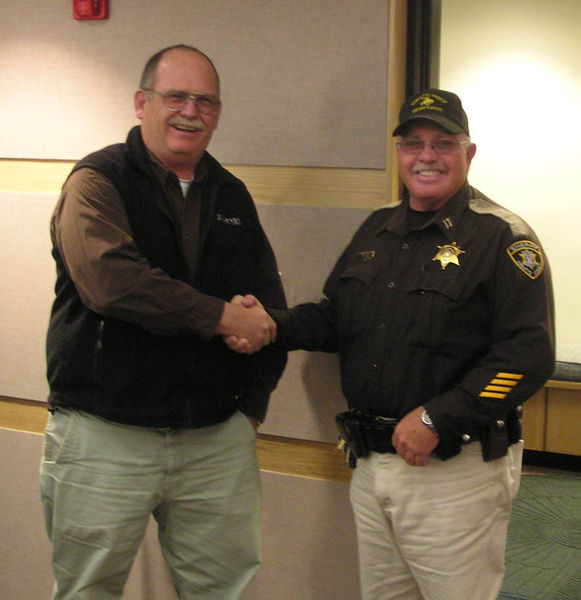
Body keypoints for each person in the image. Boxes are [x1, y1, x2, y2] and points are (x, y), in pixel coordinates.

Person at [230, 89, 555, 600]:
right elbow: (335, 319)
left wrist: (437, 419)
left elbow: (527, 358)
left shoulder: (502, 238)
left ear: (468, 154)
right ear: (399, 153)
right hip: (372, 464)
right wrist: (272, 325)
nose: (426, 156)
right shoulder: (376, 229)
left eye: (443, 143)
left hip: (455, 471)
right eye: (413, 143)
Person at [41, 44, 287, 600]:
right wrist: (220, 316)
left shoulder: (232, 194)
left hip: (214, 442)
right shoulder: (97, 181)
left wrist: (251, 408)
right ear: (141, 102)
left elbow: (271, 308)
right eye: (175, 96)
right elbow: (113, 283)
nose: (190, 111)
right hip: (104, 436)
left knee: (222, 590)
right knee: (87, 591)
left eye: (206, 101)